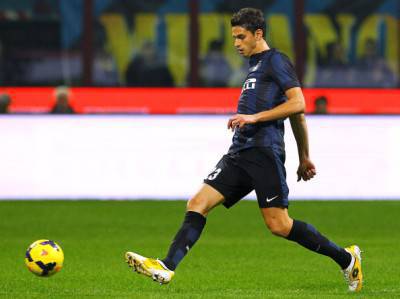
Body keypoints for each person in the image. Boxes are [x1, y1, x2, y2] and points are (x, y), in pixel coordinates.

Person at [125, 8, 362, 292]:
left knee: (279, 225)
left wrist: (256, 120)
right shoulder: (254, 66)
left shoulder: (275, 61)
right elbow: (296, 116)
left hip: (264, 151)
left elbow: (298, 105)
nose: (236, 43)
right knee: (198, 203)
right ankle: (166, 266)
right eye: (234, 37)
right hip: (240, 151)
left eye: (241, 36)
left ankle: (347, 259)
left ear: (258, 34)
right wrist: (304, 156)